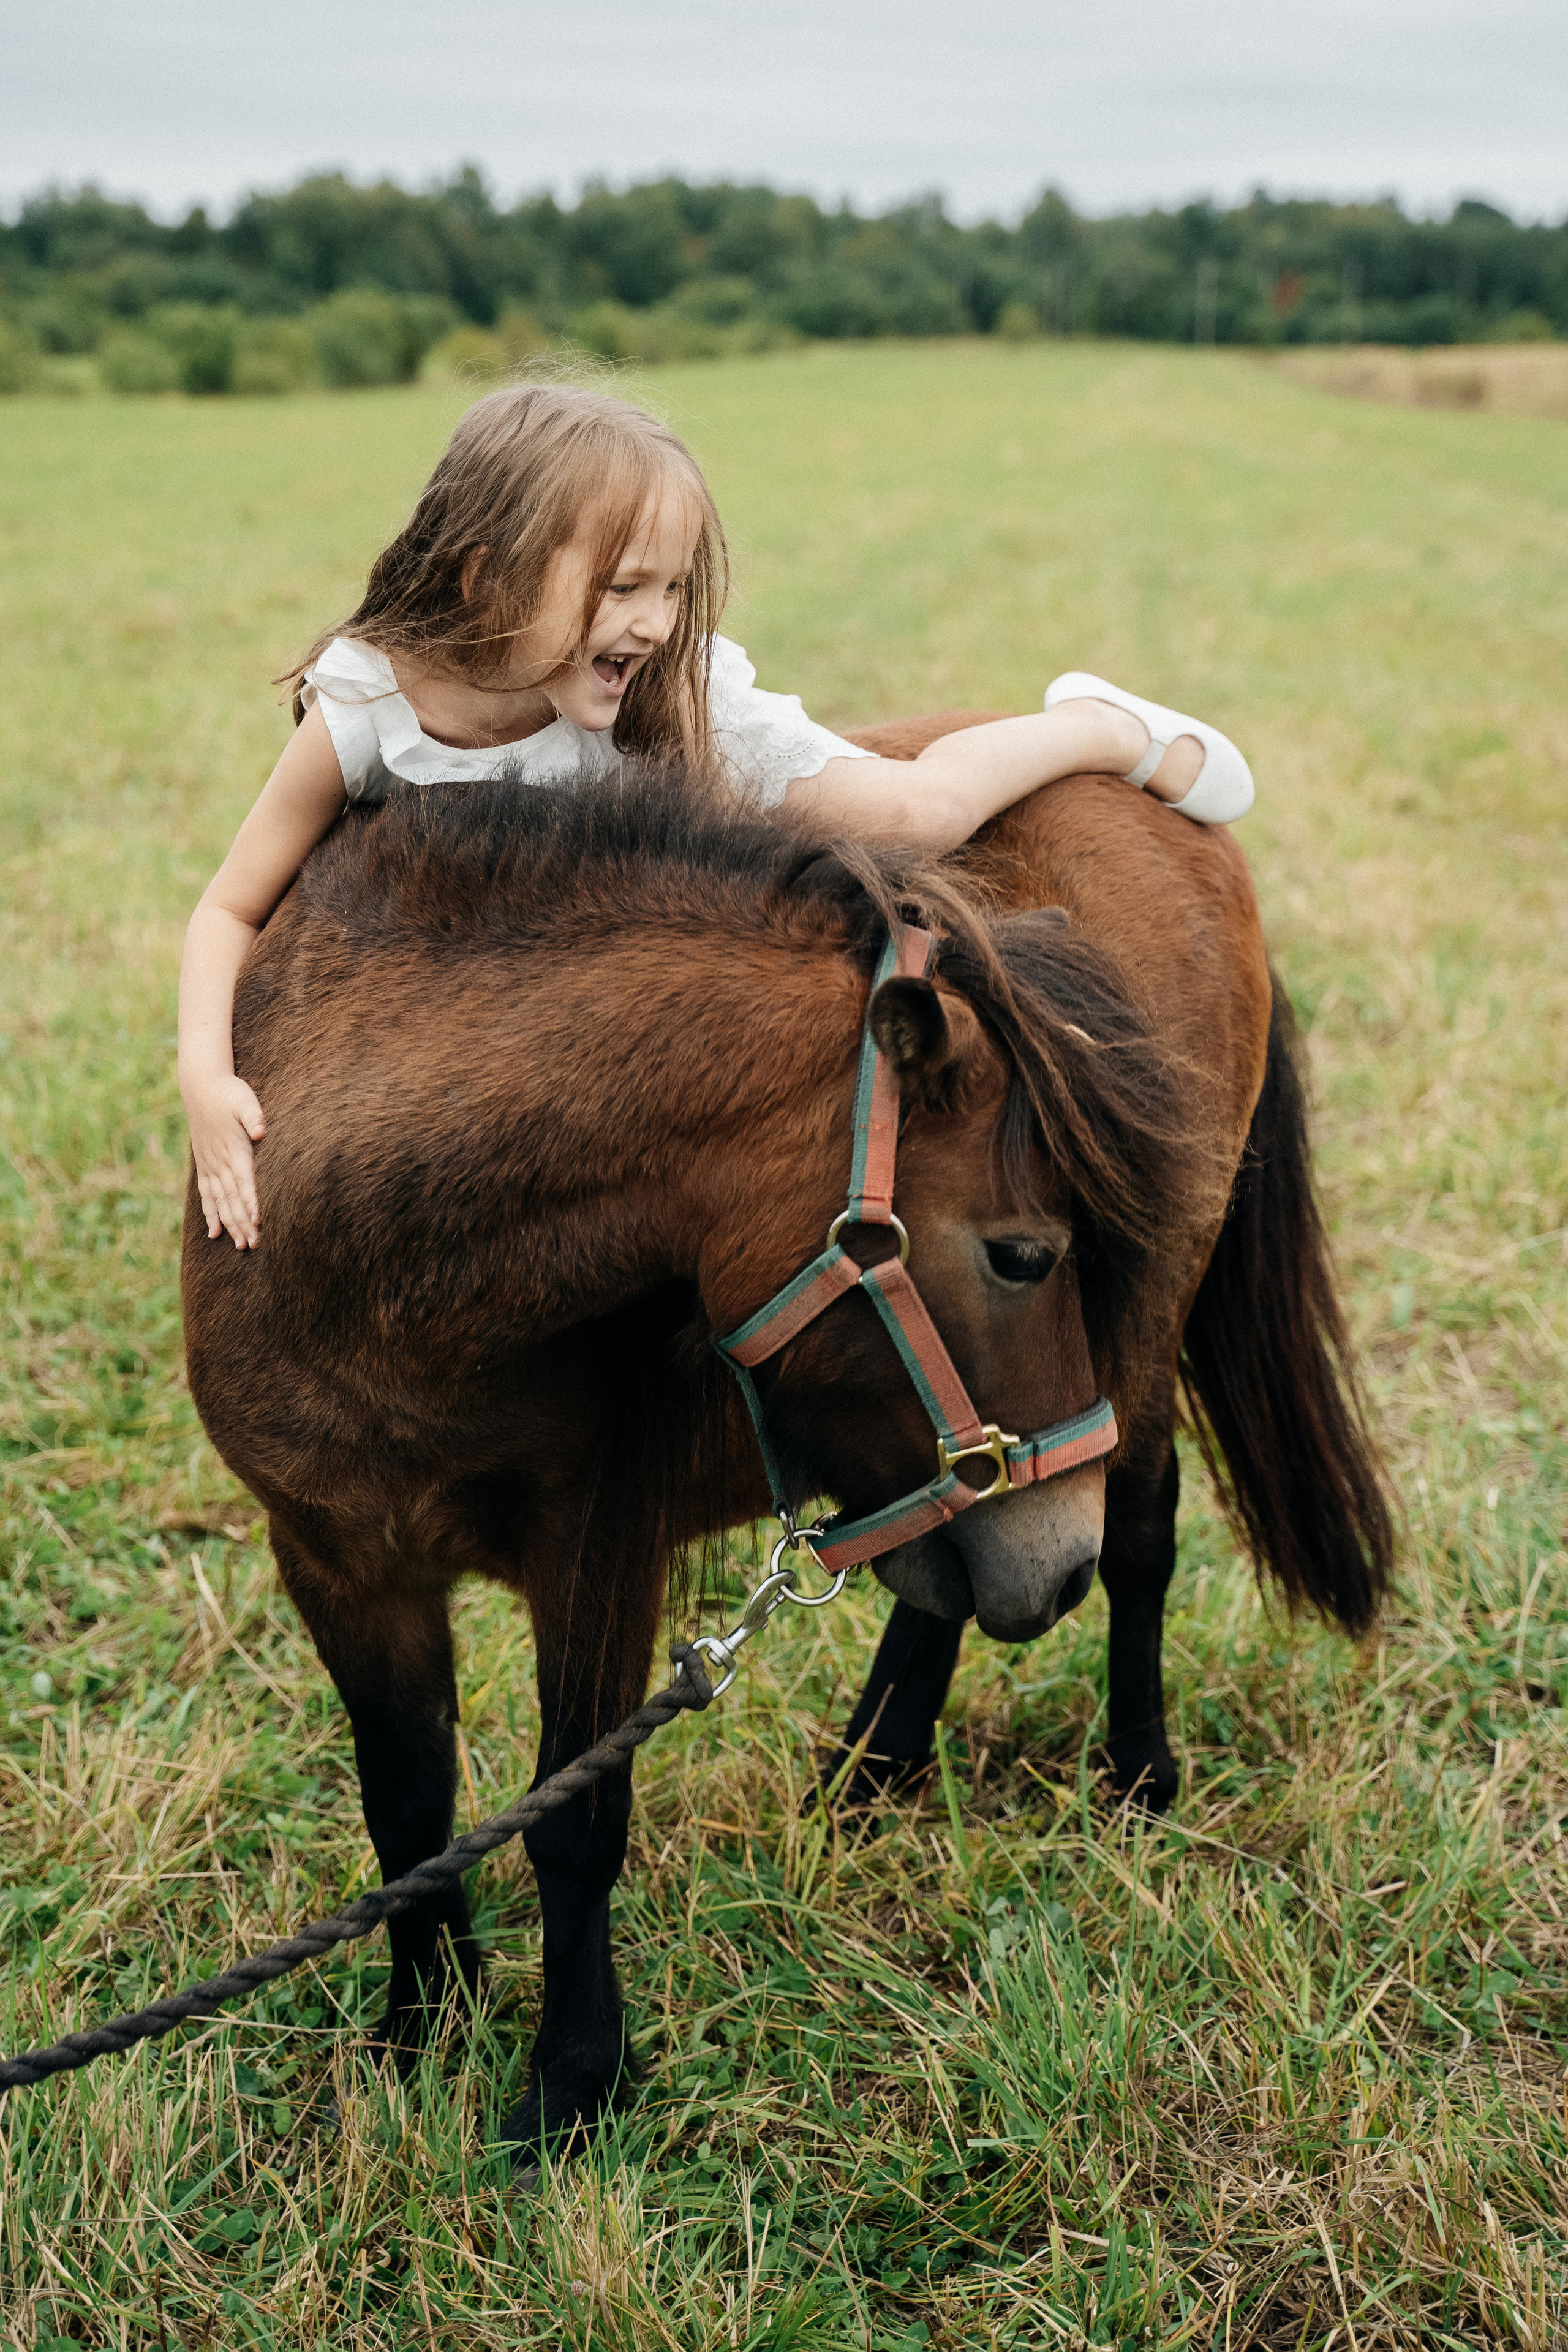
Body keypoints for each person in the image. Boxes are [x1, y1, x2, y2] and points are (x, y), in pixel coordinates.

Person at [179, 381, 1254, 1252]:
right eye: (625, 589)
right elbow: (231, 906)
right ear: (486, 576)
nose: (657, 622)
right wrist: (205, 1077)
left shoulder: (658, 685)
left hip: (700, 746)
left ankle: (1098, 727)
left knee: (920, 812)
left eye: (675, 588)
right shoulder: (371, 711)